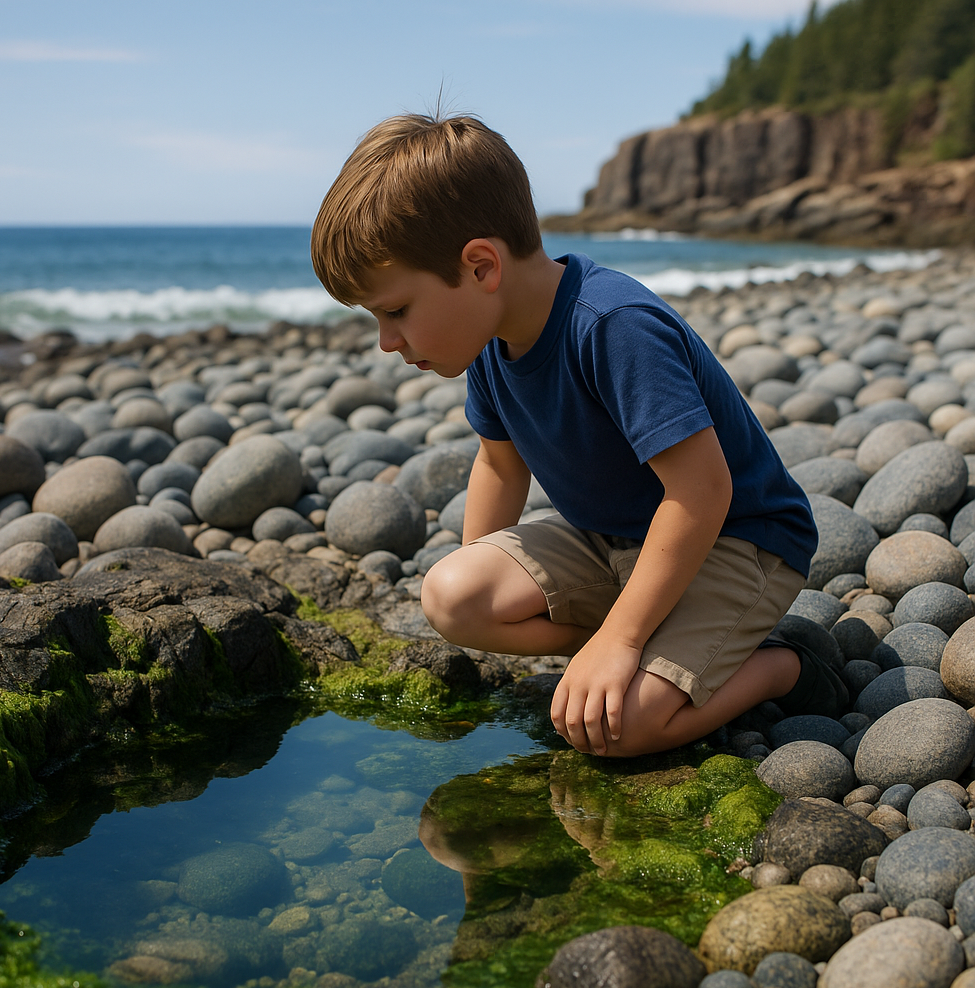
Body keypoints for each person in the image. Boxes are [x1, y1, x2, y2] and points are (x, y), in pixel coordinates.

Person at [311, 112, 846, 758]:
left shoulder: (613, 326)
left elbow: (703, 490)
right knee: (452, 597)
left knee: (619, 730)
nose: (386, 341)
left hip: (736, 541)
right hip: (611, 542)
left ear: (481, 266)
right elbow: (501, 468)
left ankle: (785, 665)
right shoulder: (493, 342)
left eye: (395, 311)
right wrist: (483, 574)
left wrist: (617, 641)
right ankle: (650, 635)